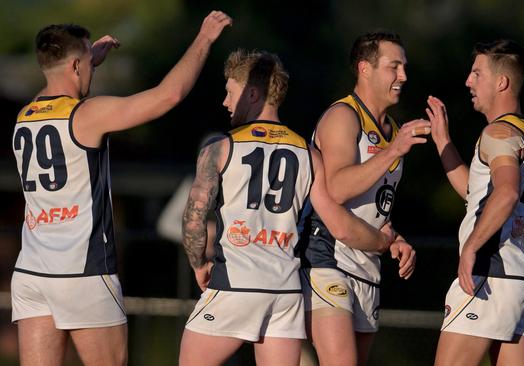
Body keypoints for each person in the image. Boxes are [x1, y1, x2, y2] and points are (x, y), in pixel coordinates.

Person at [10, 11, 232, 366]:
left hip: (32, 275)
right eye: (88, 63)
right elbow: (168, 95)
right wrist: (204, 37)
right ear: (78, 66)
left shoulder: (25, 116)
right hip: (83, 273)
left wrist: (85, 60)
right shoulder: (87, 115)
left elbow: (54, 85)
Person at [178, 49, 400, 366]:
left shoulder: (221, 148)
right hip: (285, 293)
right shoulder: (308, 153)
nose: (226, 103)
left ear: (252, 93)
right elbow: (340, 226)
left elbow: (194, 219)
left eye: (230, 93)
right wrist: (384, 241)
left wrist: (199, 262)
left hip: (237, 283)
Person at [298, 30, 423, 366]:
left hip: (368, 264)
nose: (403, 76)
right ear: (364, 69)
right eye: (394, 67)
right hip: (328, 259)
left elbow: (375, 204)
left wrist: (395, 237)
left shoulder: (393, 129)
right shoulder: (343, 116)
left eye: (404, 67)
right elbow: (336, 188)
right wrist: (392, 151)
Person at [427, 40, 524, 366]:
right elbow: (476, 193)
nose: (468, 81)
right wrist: (443, 142)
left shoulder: (499, 133)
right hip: (521, 278)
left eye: (477, 73)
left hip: (490, 273)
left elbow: (505, 193)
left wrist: (471, 247)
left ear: (501, 82)